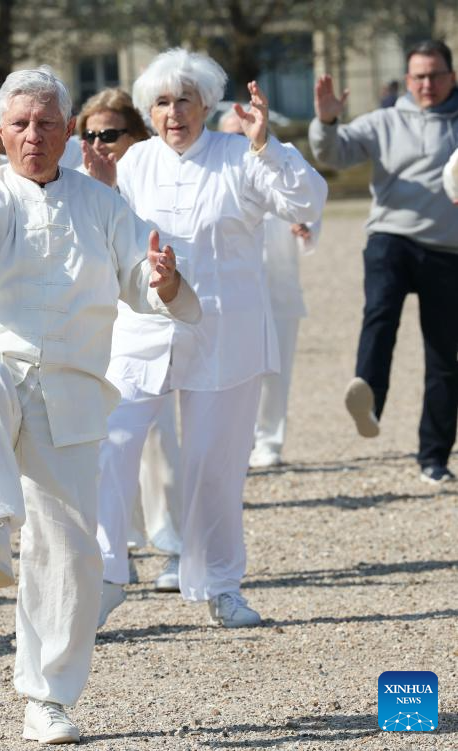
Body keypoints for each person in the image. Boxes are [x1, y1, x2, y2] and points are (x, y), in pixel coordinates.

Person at [0, 67, 201, 744]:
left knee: (69, 554)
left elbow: (145, 278)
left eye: (45, 124)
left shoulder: (101, 203)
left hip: (68, 388)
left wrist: (164, 280)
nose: (32, 136)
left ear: (69, 130)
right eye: (19, 124)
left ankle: (47, 698)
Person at [95, 49, 327, 631]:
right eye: (162, 102)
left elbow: (306, 201)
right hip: (144, 328)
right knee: (110, 440)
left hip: (225, 331)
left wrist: (265, 145)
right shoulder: (133, 161)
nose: (175, 112)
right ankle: (104, 575)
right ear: (149, 112)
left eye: (186, 100)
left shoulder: (241, 155)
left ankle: (220, 585)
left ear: (205, 105)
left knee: (214, 466)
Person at [309, 39, 458, 485]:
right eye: (419, 76)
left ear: (451, 76)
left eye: (435, 75)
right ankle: (369, 401)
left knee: (444, 356)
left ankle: (434, 457)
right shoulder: (384, 121)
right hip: (392, 237)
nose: (427, 84)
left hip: (448, 250)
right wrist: (327, 121)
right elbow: (333, 154)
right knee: (380, 312)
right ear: (407, 79)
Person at [76, 87, 182, 593]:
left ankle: (176, 544)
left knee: (159, 439)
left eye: (110, 133)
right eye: (90, 134)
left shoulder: (157, 176)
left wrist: (111, 190)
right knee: (110, 437)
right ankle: (121, 547)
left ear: (137, 136)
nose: (99, 143)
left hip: (154, 320)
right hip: (104, 326)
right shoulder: (79, 184)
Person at [219, 109, 322, 468]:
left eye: (244, 132)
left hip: (279, 291)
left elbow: (308, 207)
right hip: (231, 295)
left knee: (276, 374)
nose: (239, 140)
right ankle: (237, 442)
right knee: (232, 373)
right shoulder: (214, 176)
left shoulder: (281, 169)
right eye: (231, 134)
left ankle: (270, 442)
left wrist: (305, 229)